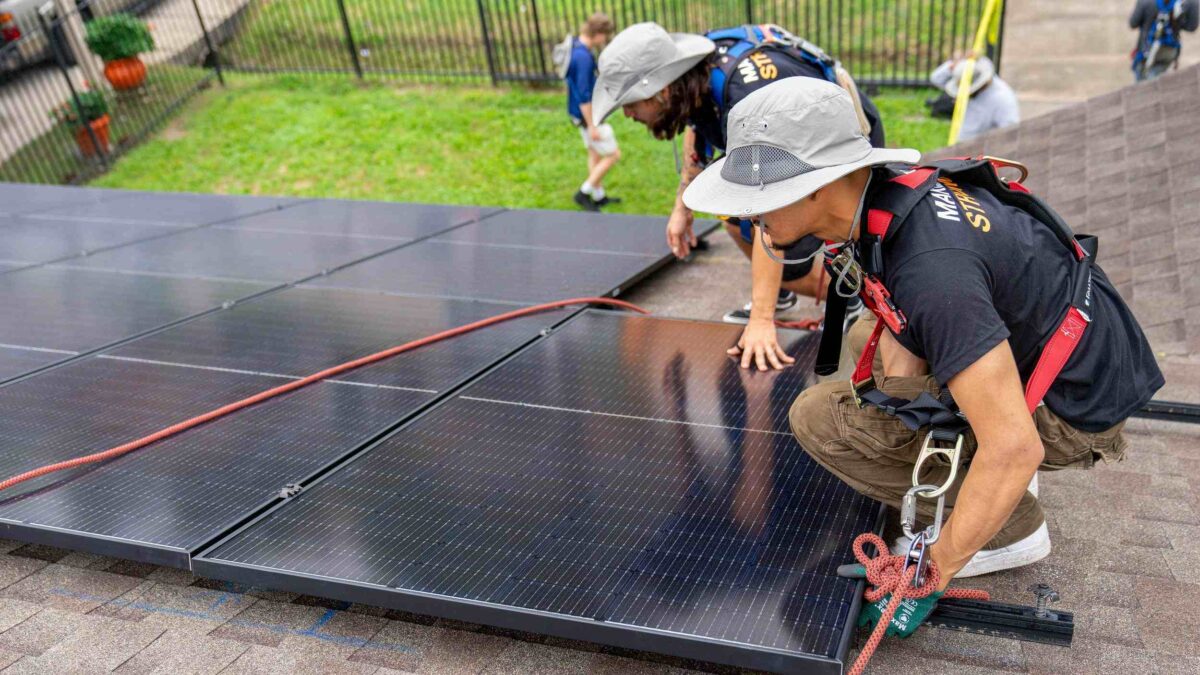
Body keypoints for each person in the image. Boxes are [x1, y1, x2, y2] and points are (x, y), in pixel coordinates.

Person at [681, 78, 1163, 636]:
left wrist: (930, 571)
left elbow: (1013, 447)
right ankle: (983, 455)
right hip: (1073, 359)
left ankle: (1011, 527)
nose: (745, 213)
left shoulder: (933, 271)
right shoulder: (891, 199)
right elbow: (907, 318)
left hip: (1075, 410)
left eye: (758, 193)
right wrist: (898, 401)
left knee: (818, 418)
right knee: (869, 345)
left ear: (819, 185)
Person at [591, 22, 886, 370]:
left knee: (802, 234)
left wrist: (760, 321)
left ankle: (849, 295)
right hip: (787, 146)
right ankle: (780, 292)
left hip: (834, 147)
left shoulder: (747, 92)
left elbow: (768, 197)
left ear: (661, 91)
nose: (627, 114)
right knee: (734, 217)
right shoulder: (695, 78)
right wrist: (682, 205)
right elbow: (695, 124)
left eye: (631, 103)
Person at [554, 13, 620, 212]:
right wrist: (592, 124)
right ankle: (583, 192)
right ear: (598, 33)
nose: (605, 41)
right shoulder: (582, 58)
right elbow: (584, 94)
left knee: (594, 153)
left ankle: (598, 196)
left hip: (576, 112)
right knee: (613, 154)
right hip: (586, 115)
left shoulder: (575, 46)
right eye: (605, 36)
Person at [928, 56, 1019, 140]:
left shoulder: (1002, 99)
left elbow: (1010, 133)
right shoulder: (965, 79)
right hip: (963, 142)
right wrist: (952, 66)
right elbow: (936, 79)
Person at [1130, 0, 1199, 81]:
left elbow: (1133, 23)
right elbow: (1191, 27)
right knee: (1158, 79)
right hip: (1169, 52)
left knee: (1143, 83)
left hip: (1145, 51)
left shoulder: (1145, 2)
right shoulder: (1185, 3)